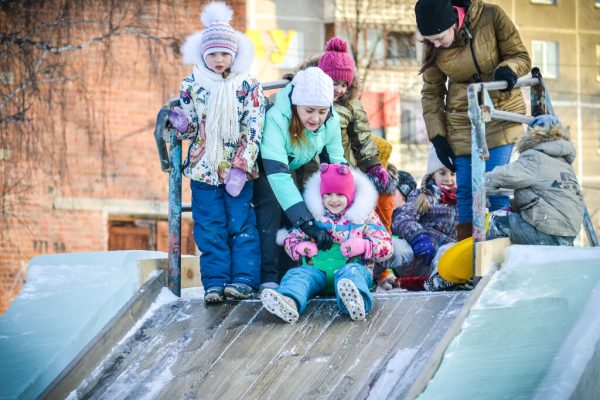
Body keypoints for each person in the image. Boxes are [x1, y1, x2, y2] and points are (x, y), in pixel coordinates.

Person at [168, 2, 265, 303]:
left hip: (237, 171)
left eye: (225, 53)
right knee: (210, 227)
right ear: (203, 55)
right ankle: (215, 282)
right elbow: (191, 130)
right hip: (203, 171)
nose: (219, 59)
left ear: (234, 54)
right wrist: (181, 123)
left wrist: (242, 166)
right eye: (213, 54)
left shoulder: (247, 85)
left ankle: (244, 280)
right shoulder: (192, 86)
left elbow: (254, 126)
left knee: (241, 224)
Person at [415, 0, 531, 240]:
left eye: (439, 37)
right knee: (466, 191)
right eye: (430, 40)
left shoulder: (490, 16)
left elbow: (520, 56)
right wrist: (437, 136)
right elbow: (432, 92)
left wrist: (508, 69)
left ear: (452, 21)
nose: (435, 44)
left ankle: (500, 247)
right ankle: (470, 252)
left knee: (493, 185)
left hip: (499, 113)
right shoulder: (433, 44)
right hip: (462, 121)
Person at [260, 163, 393, 322]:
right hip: (317, 270)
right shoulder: (314, 215)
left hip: (351, 267)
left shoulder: (364, 216)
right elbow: (291, 238)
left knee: (352, 274)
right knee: (298, 275)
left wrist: (364, 246)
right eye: (328, 194)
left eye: (339, 194)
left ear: (350, 194)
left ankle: (355, 302)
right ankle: (289, 301)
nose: (333, 200)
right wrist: (300, 246)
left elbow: (386, 245)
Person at [254, 67, 346, 290]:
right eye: (310, 110)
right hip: (264, 169)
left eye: (322, 111)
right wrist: (306, 223)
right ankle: (268, 277)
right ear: (296, 105)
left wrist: (347, 200)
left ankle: (297, 272)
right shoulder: (276, 119)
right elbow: (279, 177)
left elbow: (337, 164)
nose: (316, 118)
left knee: (310, 203)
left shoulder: (330, 121)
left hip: (293, 164)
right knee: (273, 207)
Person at [485, 115, 585, 246]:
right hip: (568, 235)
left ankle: (494, 264)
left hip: (549, 233)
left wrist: (482, 183)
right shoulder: (565, 164)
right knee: (513, 218)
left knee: (496, 220)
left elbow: (504, 175)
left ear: (531, 136)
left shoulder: (535, 157)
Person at [389, 147, 458, 290]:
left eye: (453, 173)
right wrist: (418, 237)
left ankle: (439, 281)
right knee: (395, 247)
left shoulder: (464, 202)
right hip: (418, 256)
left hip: (442, 260)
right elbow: (403, 217)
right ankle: (375, 278)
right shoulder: (423, 196)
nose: (448, 178)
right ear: (433, 175)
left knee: (448, 249)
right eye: (442, 173)